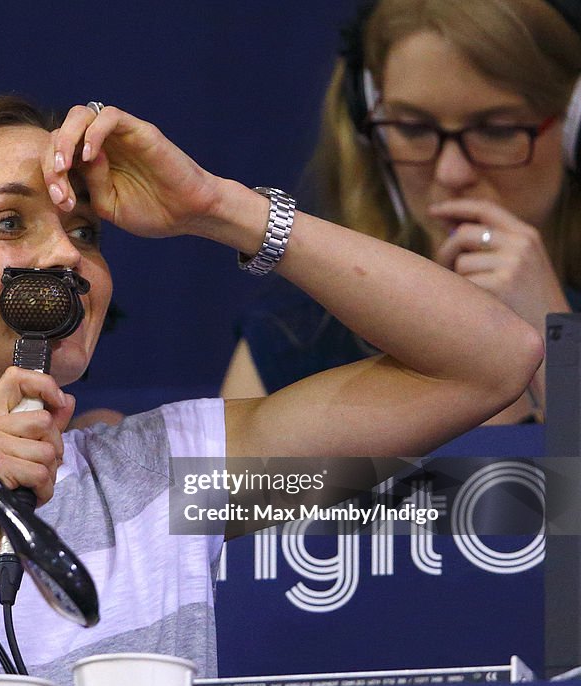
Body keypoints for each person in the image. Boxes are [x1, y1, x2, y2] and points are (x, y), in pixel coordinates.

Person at [0, 94, 541, 686]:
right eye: (10, 223)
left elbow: (490, 361)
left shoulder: (170, 475)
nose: (64, 255)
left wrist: (217, 207)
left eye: (85, 232)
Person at [221, 0, 581, 425]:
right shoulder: (296, 334)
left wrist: (558, 344)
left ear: (572, 128)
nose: (451, 172)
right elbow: (223, 492)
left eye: (496, 130)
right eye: (412, 128)